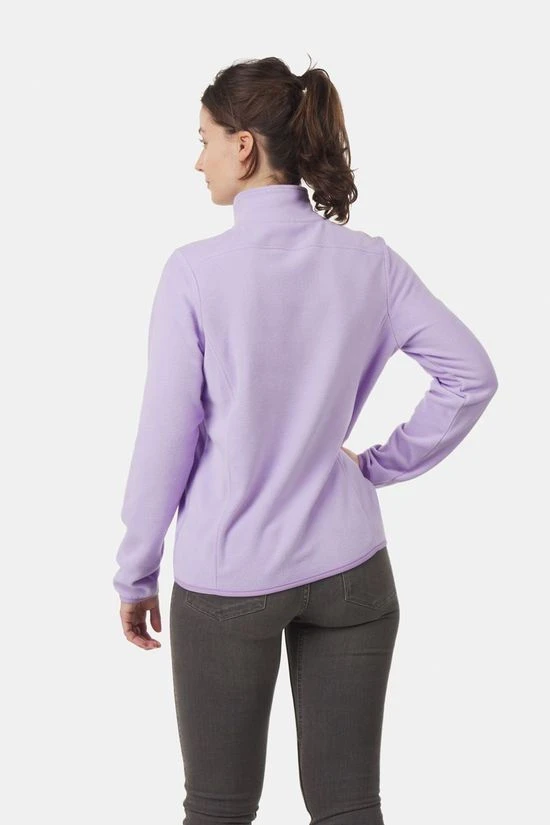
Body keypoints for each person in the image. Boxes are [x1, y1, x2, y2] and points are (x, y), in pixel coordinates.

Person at [113, 55, 498, 825]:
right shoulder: (371, 263)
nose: (199, 160)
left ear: (244, 146)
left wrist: (136, 571)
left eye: (205, 140)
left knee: (218, 810)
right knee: (349, 808)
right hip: (352, 570)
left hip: (229, 579)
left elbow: (166, 438)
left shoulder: (194, 273)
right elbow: (471, 375)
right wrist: (376, 468)